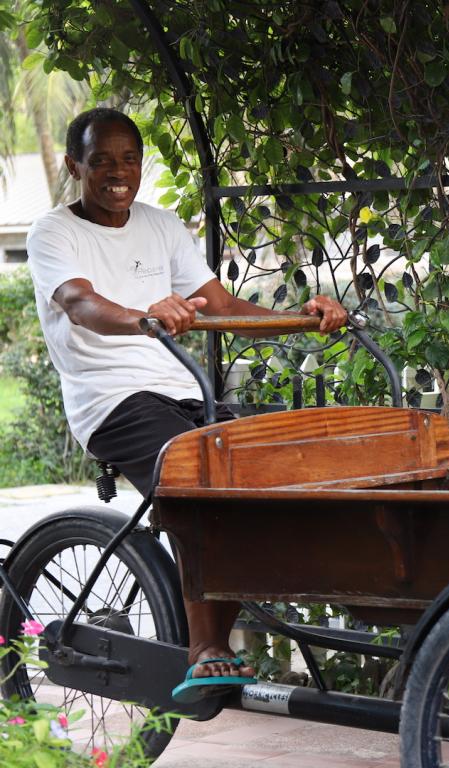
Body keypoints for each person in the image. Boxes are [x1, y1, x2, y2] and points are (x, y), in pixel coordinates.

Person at [26, 107, 347, 701]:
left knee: (255, 479)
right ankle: (206, 651)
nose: (117, 173)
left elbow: (218, 307)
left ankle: (220, 637)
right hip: (111, 400)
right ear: (75, 166)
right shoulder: (55, 232)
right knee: (196, 480)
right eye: (101, 161)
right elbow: (79, 303)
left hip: (180, 389)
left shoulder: (161, 224)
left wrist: (300, 318)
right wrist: (142, 317)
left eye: (129, 160)